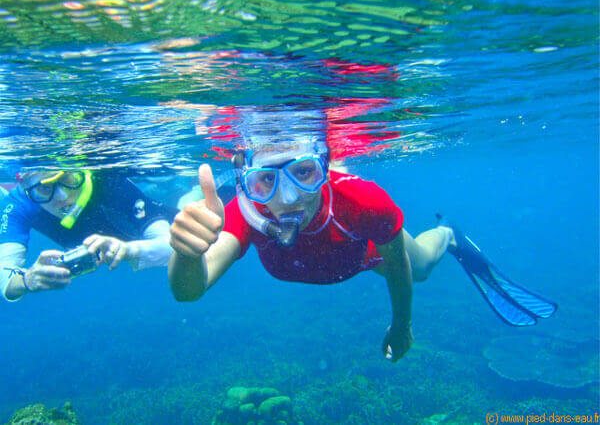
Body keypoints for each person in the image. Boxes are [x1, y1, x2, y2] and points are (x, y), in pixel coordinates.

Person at [168, 140, 557, 361]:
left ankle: (447, 234)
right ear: (247, 184)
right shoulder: (246, 214)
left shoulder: (361, 201)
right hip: (343, 256)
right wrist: (186, 253)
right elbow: (189, 291)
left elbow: (399, 263)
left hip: (364, 253)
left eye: (303, 172)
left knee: (420, 266)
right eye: (266, 180)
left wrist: (402, 324)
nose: (286, 198)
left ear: (324, 166)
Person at [0, 169, 177, 301]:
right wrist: (26, 280)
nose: (63, 196)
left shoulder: (106, 179)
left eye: (69, 178)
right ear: (26, 188)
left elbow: (170, 245)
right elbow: (4, 270)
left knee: (185, 210)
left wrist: (128, 249)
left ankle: (186, 192)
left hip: (163, 214)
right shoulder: (18, 205)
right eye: (44, 188)